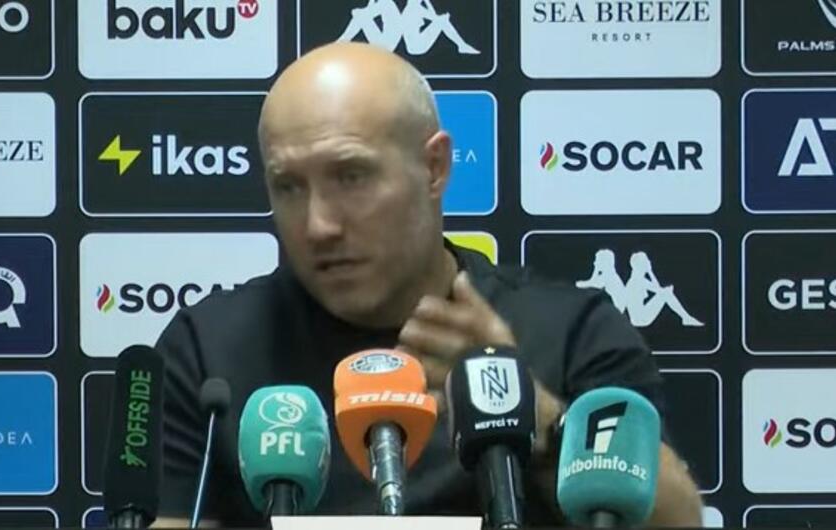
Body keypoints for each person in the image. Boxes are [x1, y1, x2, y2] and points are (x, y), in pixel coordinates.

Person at [154, 42, 703, 527]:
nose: (319, 225)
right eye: (289, 186)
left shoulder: (572, 331)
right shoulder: (208, 354)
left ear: (434, 167)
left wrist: (530, 413)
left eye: (351, 176)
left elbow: (679, 521)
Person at [337, 0, 481, 55]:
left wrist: (437, 18)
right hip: (386, 44)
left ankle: (462, 46)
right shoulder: (388, 4)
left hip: (415, 45)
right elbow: (369, 9)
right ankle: (340, 43)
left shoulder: (413, 6)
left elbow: (430, 14)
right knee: (372, 11)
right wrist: (363, 12)